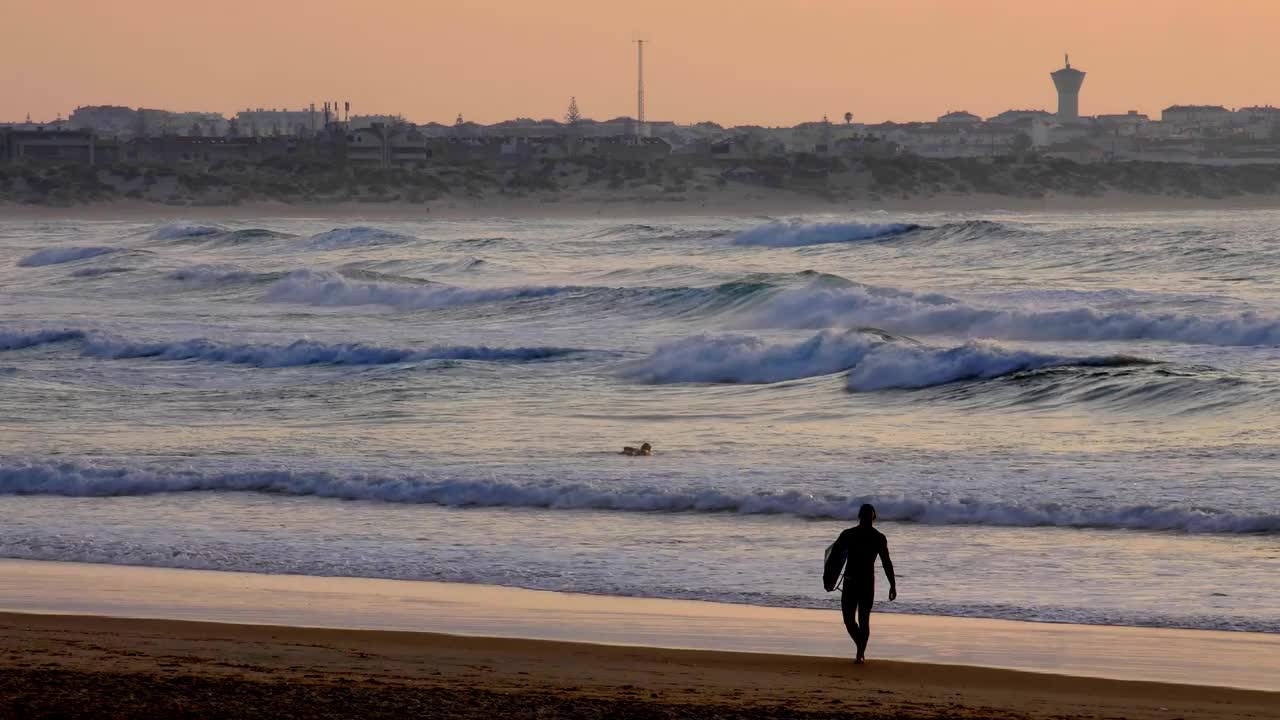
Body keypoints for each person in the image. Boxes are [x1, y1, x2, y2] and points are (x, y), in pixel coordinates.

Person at [830, 504, 896, 664]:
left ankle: (860, 651)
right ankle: (860, 650)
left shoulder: (851, 535)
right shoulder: (874, 537)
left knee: (851, 620)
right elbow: (887, 563)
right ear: (873, 517)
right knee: (861, 620)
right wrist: (892, 585)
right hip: (864, 583)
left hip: (853, 582)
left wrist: (829, 579)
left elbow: (833, 558)